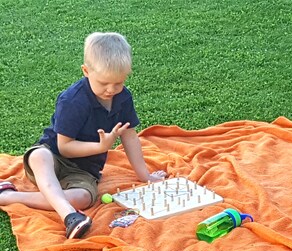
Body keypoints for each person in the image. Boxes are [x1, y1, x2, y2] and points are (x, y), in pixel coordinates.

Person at [0, 32, 167, 239]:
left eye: (119, 83)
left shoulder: (122, 98)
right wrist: (100, 147)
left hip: (84, 172)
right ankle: (69, 216)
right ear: (86, 71)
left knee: (85, 197)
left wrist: (145, 176)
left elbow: (130, 135)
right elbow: (64, 147)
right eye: (104, 82)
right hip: (53, 159)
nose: (111, 90)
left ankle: (8, 196)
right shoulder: (72, 100)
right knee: (38, 156)